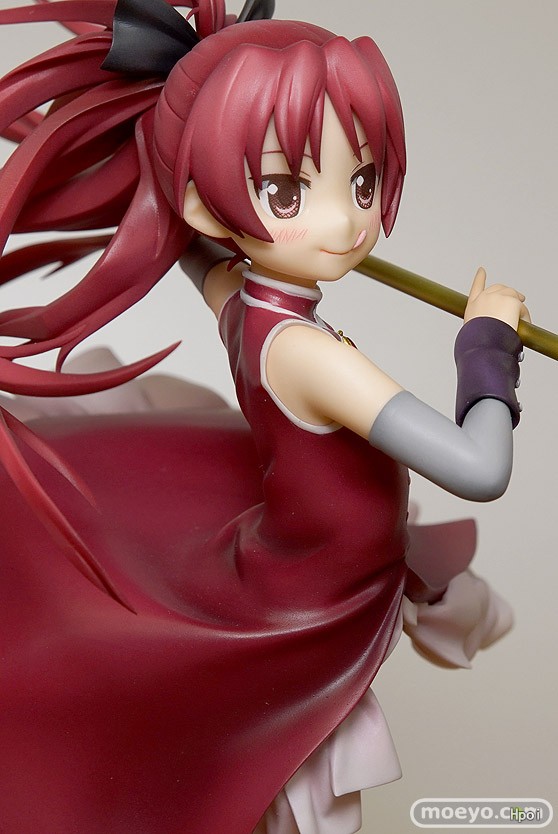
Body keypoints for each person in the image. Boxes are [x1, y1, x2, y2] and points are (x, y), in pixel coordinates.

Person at [0, 1, 528, 832]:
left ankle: (439, 595)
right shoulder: (310, 357)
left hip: (317, 544)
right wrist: (487, 344)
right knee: (305, 777)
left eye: (362, 182)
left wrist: (182, 185)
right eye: (287, 190)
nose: (344, 222)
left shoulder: (245, 303)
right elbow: (480, 468)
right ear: (206, 202)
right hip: (316, 591)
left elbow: (197, 257)